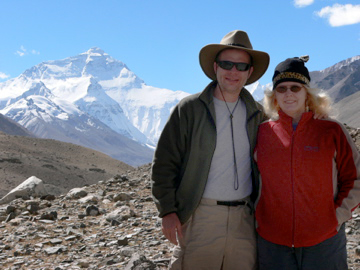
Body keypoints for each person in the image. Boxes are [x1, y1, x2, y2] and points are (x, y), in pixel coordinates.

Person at [151, 30, 269, 269]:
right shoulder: (190, 109)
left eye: (240, 66)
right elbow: (164, 163)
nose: (233, 71)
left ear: (250, 72)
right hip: (200, 215)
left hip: (244, 219)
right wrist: (167, 211)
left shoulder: (259, 114)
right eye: (227, 64)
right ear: (215, 67)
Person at [254, 56, 360, 270]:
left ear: (307, 93)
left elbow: (354, 178)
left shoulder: (332, 130)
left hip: (324, 241)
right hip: (273, 243)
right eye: (281, 88)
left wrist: (336, 217)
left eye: (295, 87)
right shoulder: (262, 132)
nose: (289, 94)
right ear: (274, 95)